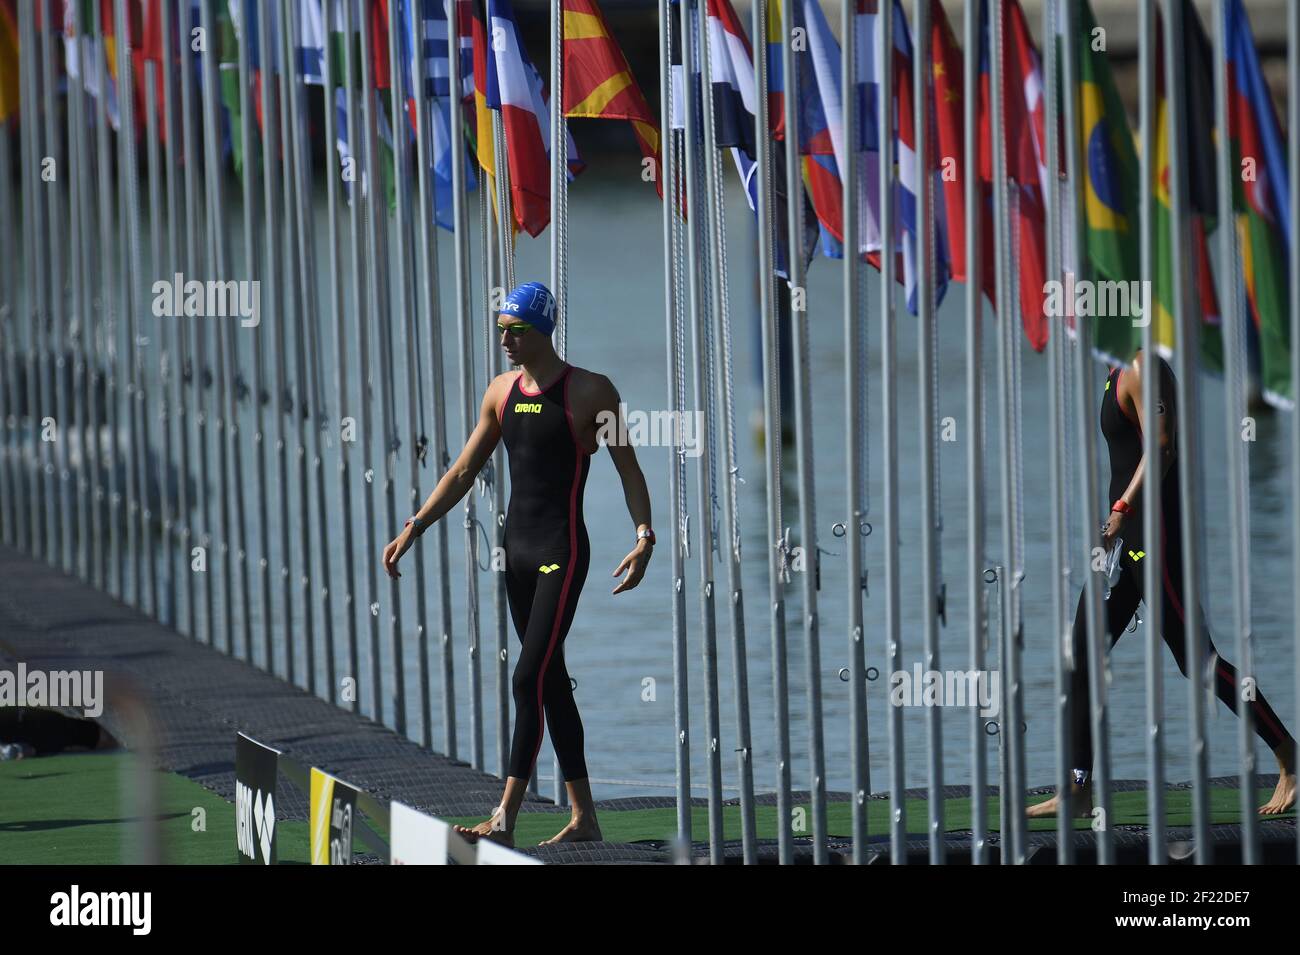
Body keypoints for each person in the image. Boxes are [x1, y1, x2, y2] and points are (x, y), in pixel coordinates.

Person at [382, 282, 655, 846]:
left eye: (515, 329)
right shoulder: (501, 393)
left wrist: (644, 534)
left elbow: (628, 467)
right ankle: (585, 820)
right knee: (550, 680)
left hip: (562, 551)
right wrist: (415, 524)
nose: (504, 338)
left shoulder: (590, 392)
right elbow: (461, 472)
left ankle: (504, 817)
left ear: (542, 331)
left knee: (527, 675)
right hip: (517, 555)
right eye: (502, 328)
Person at [1028, 349, 1296, 818]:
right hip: (1122, 540)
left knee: (1199, 660)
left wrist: (1121, 510)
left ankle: (1290, 757)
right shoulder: (1114, 371)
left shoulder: (1143, 368)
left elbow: (1163, 448)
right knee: (1082, 656)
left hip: (1152, 535)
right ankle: (1077, 789)